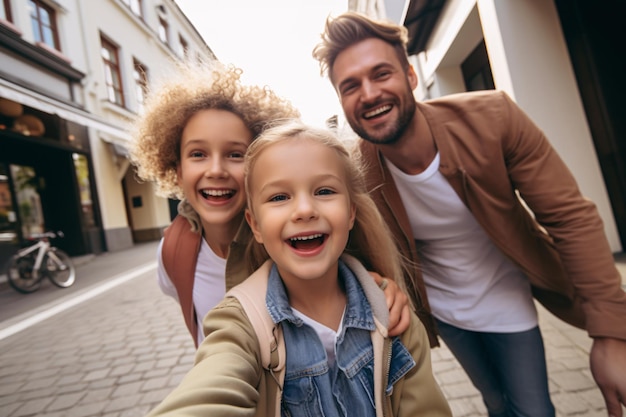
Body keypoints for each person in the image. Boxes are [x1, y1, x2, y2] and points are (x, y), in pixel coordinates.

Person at [312, 11, 626, 417]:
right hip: (445, 311)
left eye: (381, 74)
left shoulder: (493, 118)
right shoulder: (357, 170)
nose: (369, 93)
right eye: (350, 85)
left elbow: (570, 217)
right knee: (495, 402)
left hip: (507, 297)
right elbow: (343, 246)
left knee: (533, 409)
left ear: (410, 76)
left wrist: (611, 333)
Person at [145, 121, 452, 417]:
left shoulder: (391, 314)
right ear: (255, 226)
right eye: (279, 197)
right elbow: (212, 386)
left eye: (324, 191)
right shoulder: (238, 324)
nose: (305, 210)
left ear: (350, 213)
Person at [129, 61, 409, 348]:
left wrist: (380, 290)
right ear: (177, 169)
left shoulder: (289, 239)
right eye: (198, 154)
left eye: (235, 155)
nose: (216, 170)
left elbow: (347, 280)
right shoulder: (173, 251)